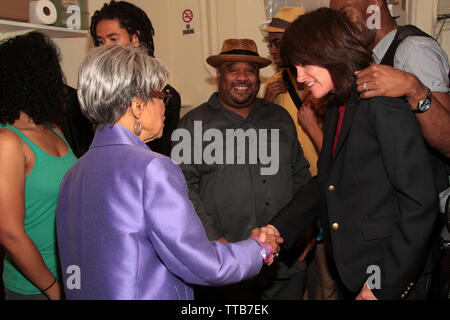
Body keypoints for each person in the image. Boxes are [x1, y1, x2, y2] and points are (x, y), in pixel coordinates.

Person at [56, 45, 281, 300]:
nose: (165, 104)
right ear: (138, 105)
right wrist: (258, 249)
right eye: (161, 94)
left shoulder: (73, 174)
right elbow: (205, 264)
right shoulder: (151, 168)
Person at [257, 8, 439, 300]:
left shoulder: (380, 104)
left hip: (393, 275)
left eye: (305, 64)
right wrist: (277, 227)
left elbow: (420, 203)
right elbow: (326, 182)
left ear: (330, 51)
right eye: (295, 67)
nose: (300, 77)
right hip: (360, 273)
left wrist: (382, 285)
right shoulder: (337, 107)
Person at [174, 39, 312, 300]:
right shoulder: (193, 124)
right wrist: (216, 241)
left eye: (249, 70)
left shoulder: (280, 118)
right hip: (227, 264)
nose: (242, 77)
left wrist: (305, 227)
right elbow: (183, 190)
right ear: (219, 74)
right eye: (233, 69)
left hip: (285, 265)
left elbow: (300, 175)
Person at [263, 6, 340, 300]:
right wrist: (267, 99)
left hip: (323, 189)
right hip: (294, 194)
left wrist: (310, 125)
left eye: (278, 42)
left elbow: (338, 156)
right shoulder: (273, 84)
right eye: (270, 42)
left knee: (327, 278)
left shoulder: (326, 87)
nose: (273, 49)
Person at [0, 32, 78, 300]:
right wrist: (53, 289)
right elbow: (9, 233)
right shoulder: (8, 141)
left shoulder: (52, 128)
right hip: (34, 290)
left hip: (72, 276)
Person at [330, 0, 450, 158]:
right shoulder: (370, 59)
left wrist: (414, 89)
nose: (343, 27)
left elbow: (447, 140)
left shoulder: (413, 50)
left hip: (425, 181)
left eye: (346, 13)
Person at [90, 0, 181, 157]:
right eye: (101, 41)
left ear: (135, 39)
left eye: (113, 39)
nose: (105, 48)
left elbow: (164, 153)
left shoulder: (165, 96)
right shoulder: (90, 96)